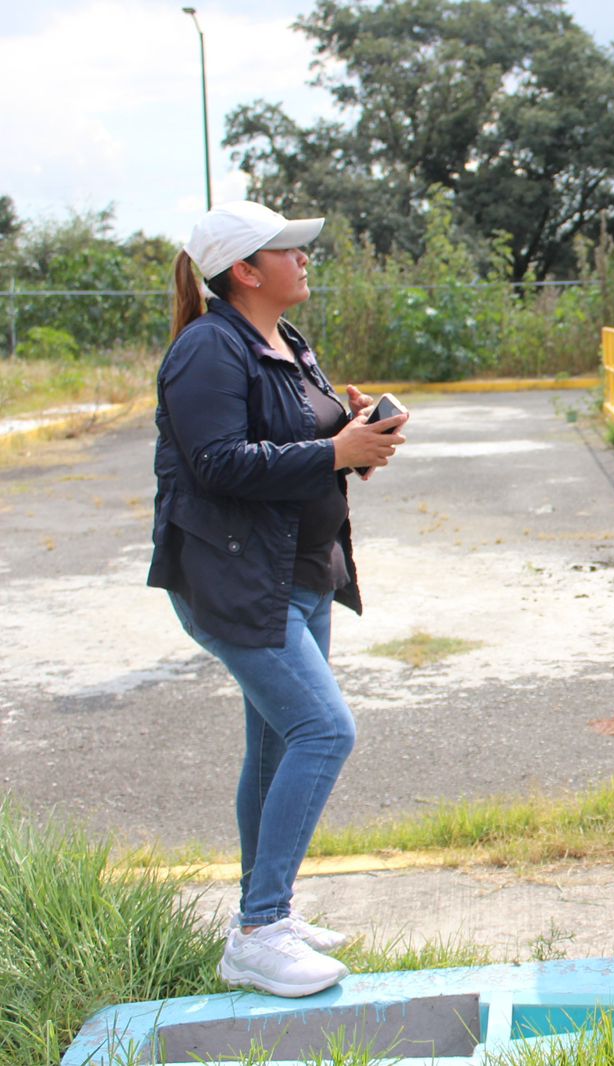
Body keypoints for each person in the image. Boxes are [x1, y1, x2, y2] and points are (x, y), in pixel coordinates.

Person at [147, 201, 408, 997]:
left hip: (299, 573)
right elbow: (220, 462)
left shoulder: (284, 340)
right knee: (323, 733)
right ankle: (259, 931)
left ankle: (269, 913)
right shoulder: (207, 351)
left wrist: (357, 433)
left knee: (273, 748)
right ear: (246, 272)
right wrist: (334, 447)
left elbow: (297, 438)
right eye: (288, 250)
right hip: (238, 582)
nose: (305, 259)